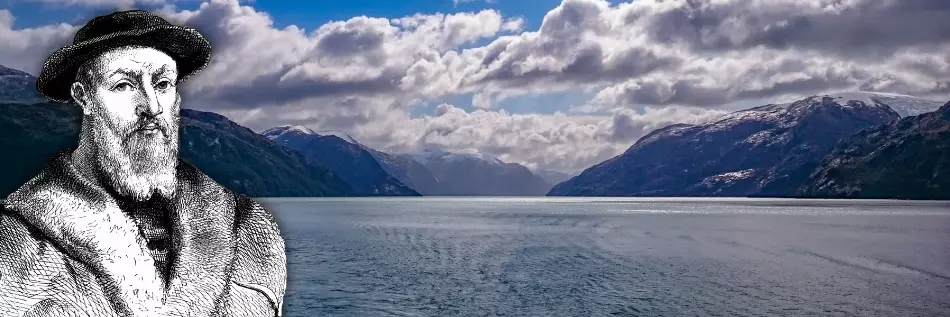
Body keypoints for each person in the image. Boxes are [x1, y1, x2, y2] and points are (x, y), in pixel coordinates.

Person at [0, 10, 287, 317]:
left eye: (163, 84)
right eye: (124, 85)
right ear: (83, 98)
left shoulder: (251, 228)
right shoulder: (14, 240)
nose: (151, 105)